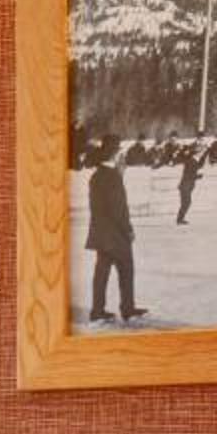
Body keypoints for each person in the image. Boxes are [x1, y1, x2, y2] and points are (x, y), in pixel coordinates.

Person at [85, 138, 144, 323]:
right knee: (126, 269)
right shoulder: (112, 177)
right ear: (114, 153)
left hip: (101, 233)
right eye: (119, 151)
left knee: (101, 273)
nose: (121, 155)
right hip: (116, 234)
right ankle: (128, 308)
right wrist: (128, 230)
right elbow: (118, 208)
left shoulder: (97, 175)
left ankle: (97, 311)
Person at [176, 137, 209, 225]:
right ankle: (179, 219)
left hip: (187, 185)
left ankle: (180, 219)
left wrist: (205, 154)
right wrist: (198, 176)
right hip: (185, 185)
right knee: (186, 202)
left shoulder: (193, 160)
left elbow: (199, 164)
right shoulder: (191, 161)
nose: (200, 154)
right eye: (199, 153)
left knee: (186, 203)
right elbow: (189, 174)